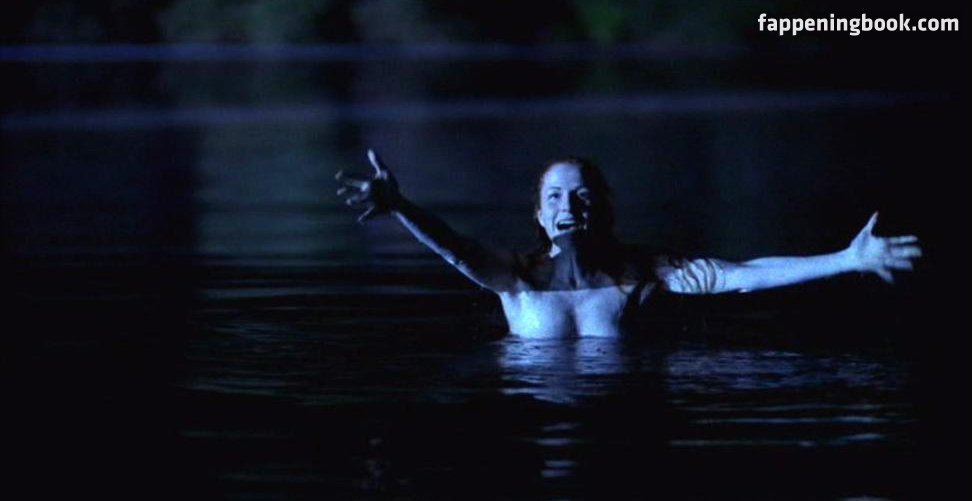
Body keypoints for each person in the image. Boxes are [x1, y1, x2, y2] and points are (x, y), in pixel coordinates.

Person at [336, 150, 922, 338]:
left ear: (603, 210)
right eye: (556, 197)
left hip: (618, 415)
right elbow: (453, 247)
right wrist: (400, 206)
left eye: (582, 195)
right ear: (540, 214)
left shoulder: (646, 273)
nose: (569, 207)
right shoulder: (515, 277)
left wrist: (848, 259)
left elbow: (742, 274)